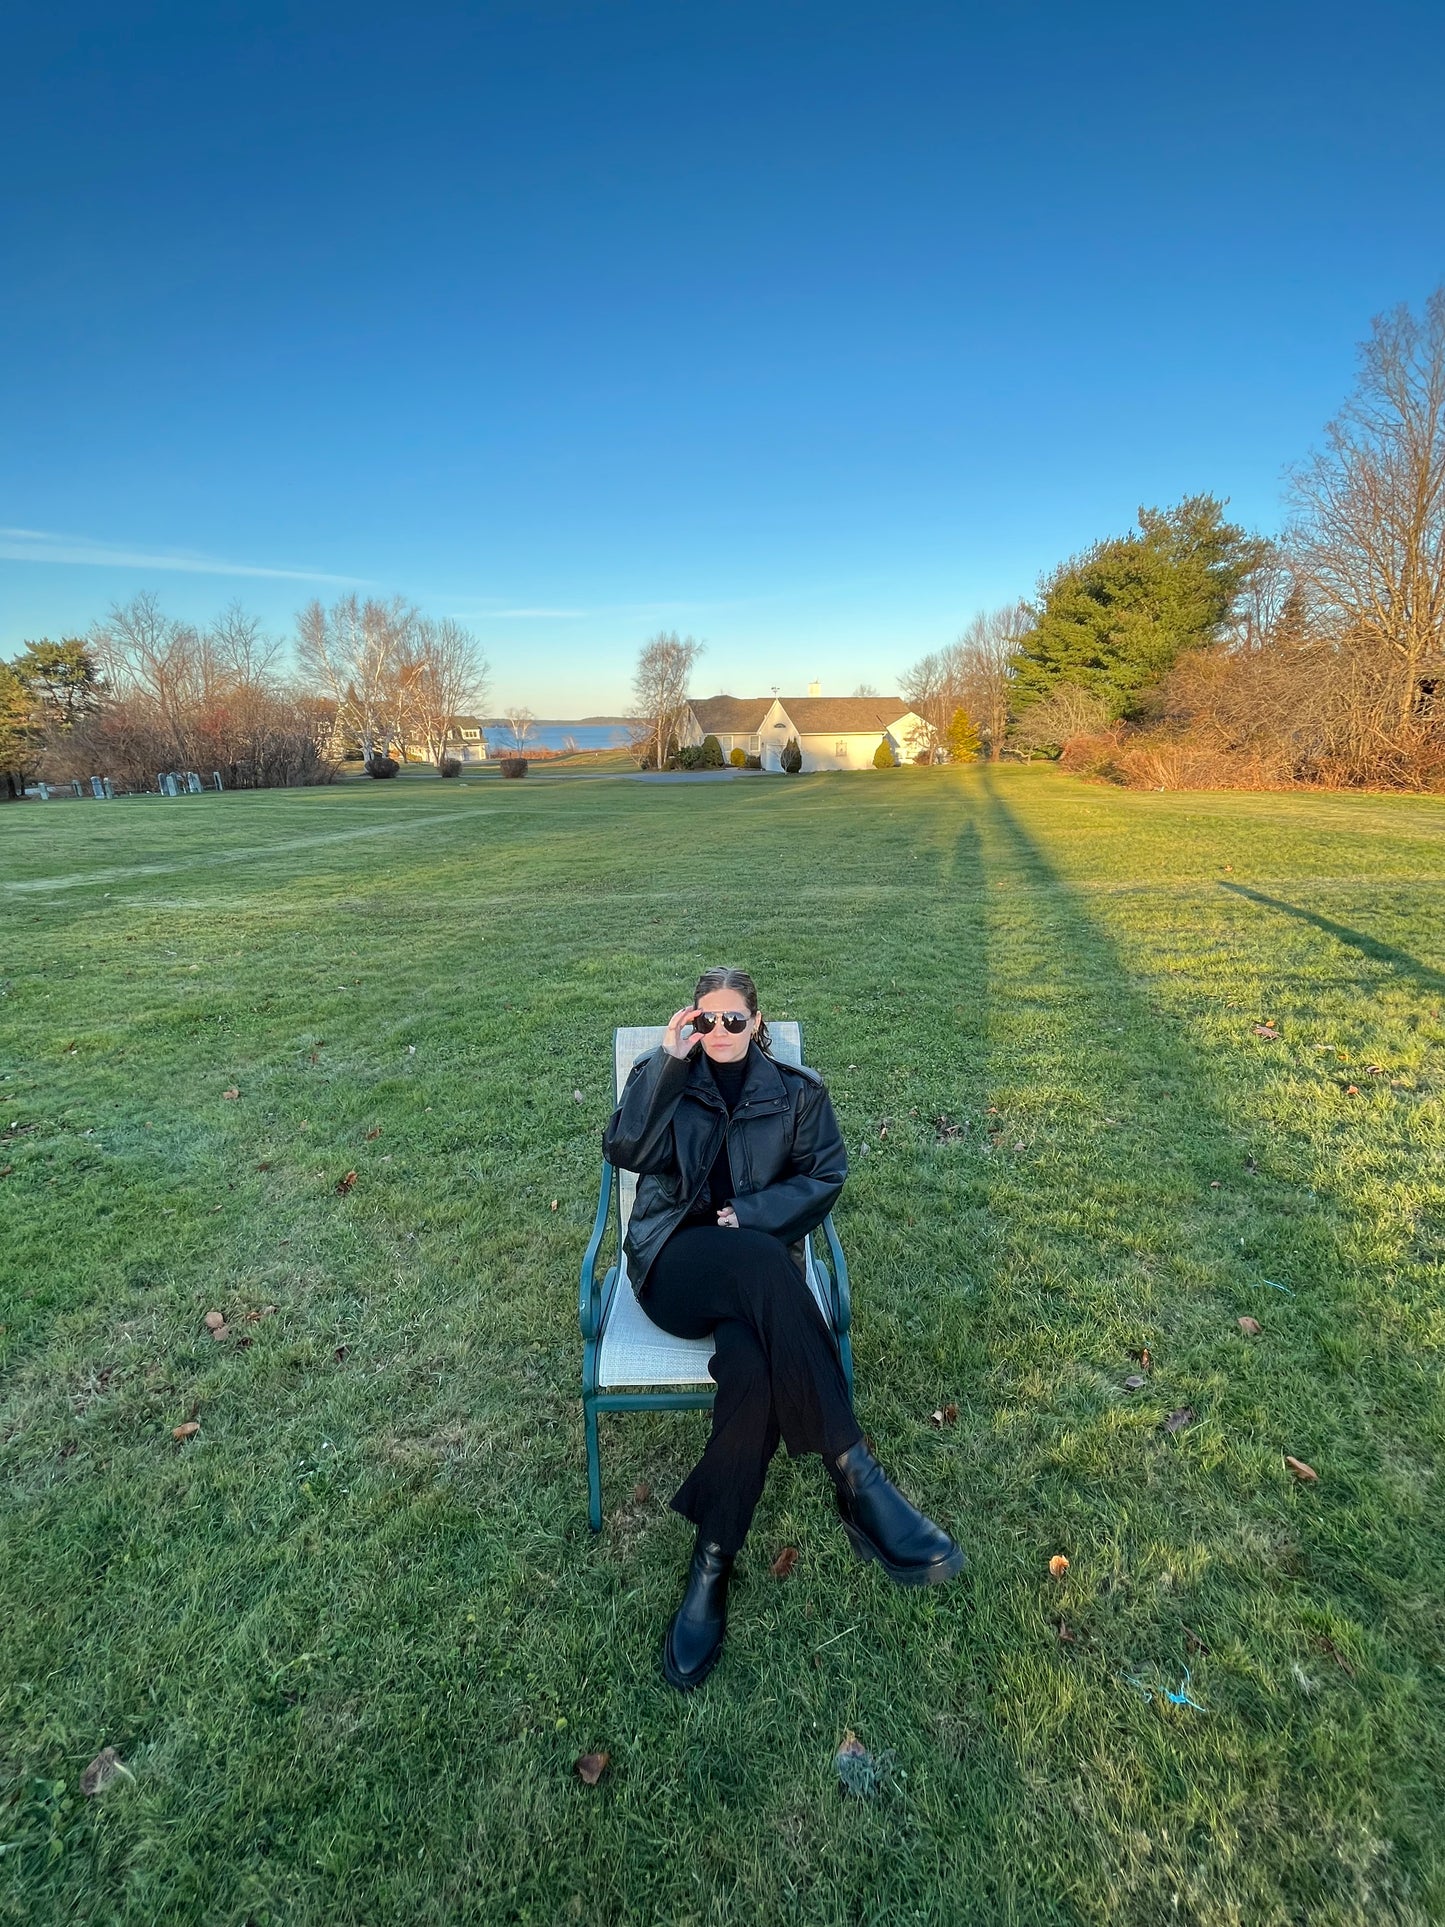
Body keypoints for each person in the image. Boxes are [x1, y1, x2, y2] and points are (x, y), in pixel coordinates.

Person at [602, 965, 964, 1691]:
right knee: (764, 1263)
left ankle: (712, 1562)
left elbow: (825, 1175)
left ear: (757, 1022)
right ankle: (855, 1474)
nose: (720, 1032)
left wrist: (754, 1214)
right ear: (690, 1022)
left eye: (734, 1019)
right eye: (706, 1020)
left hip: (756, 1288)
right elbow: (625, 1150)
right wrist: (669, 1063)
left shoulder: (799, 1093)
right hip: (674, 1266)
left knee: (754, 1370)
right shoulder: (664, 1075)